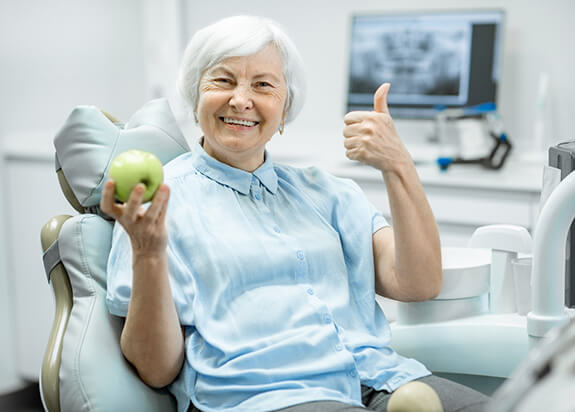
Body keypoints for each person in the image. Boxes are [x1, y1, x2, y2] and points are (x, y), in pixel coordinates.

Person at [101, 15, 489, 412]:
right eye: (222, 80)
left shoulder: (328, 193)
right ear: (195, 95)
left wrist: (398, 165)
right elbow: (157, 370)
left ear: (285, 109)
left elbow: (419, 283)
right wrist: (147, 252)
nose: (240, 100)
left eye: (263, 85)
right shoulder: (159, 205)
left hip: (381, 378)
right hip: (267, 397)